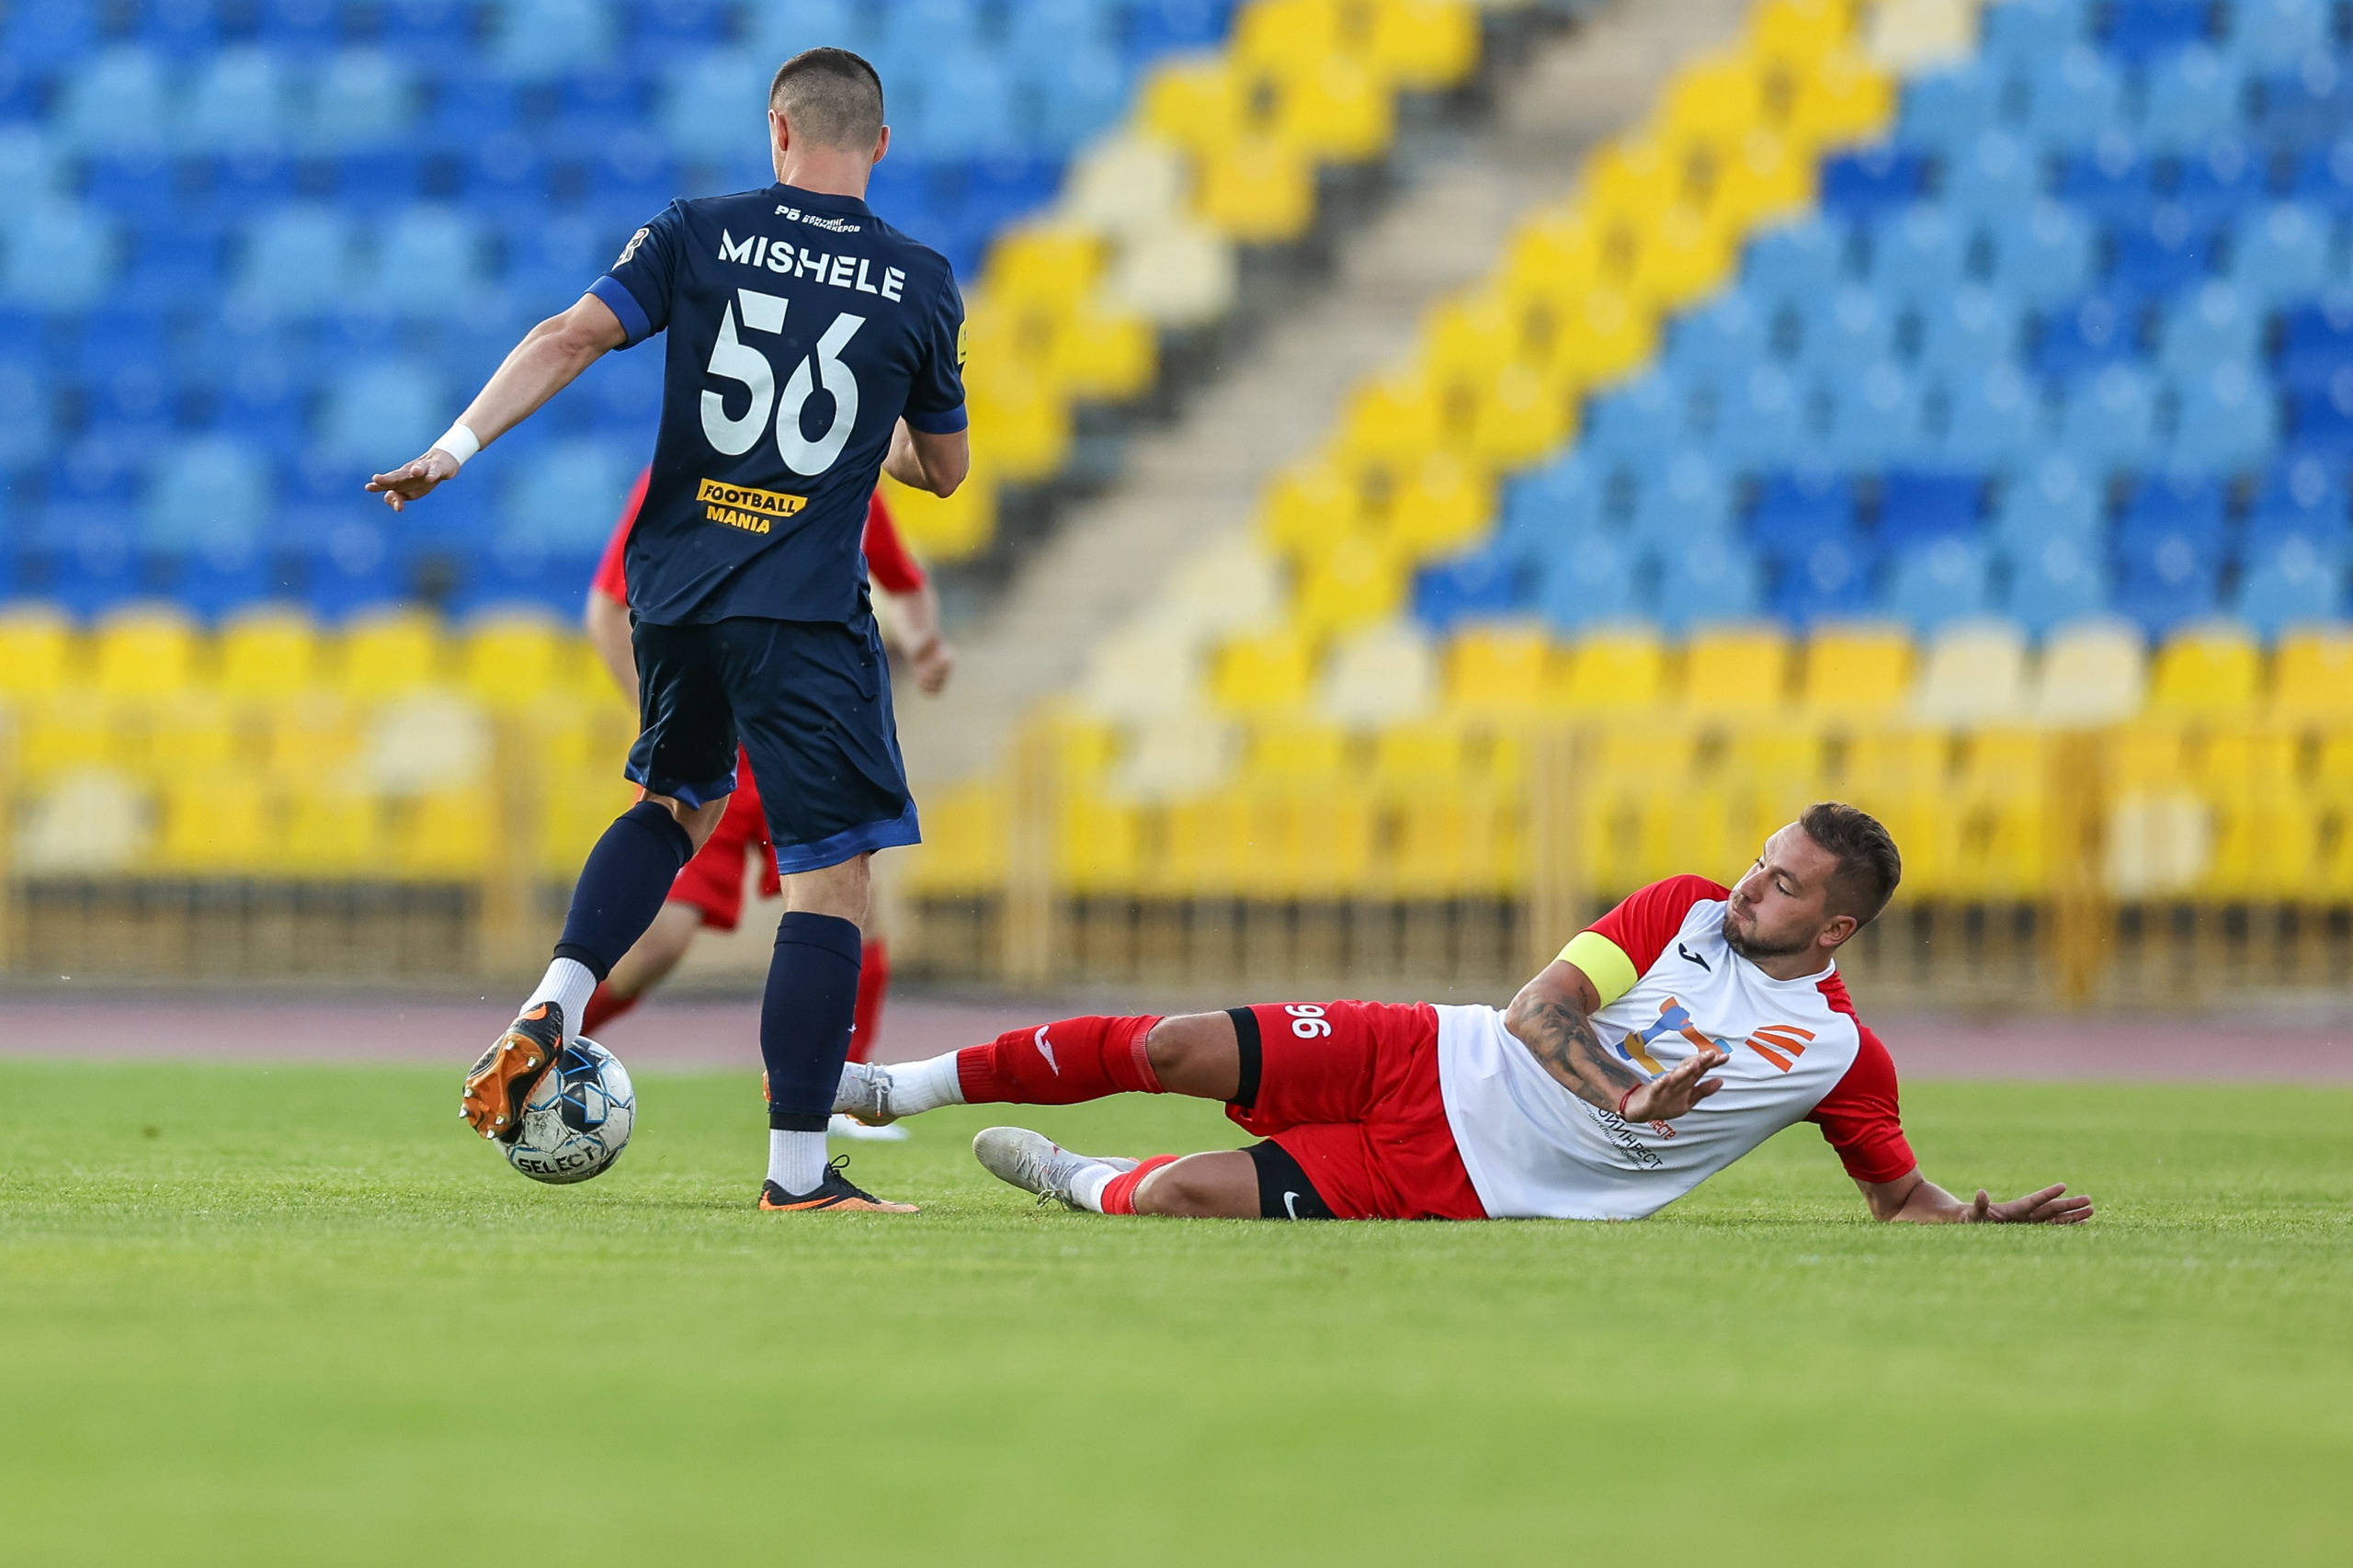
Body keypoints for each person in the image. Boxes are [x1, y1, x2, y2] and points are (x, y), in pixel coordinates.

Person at [369, 48, 968, 1213]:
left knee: (671, 803)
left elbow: (566, 334)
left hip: (675, 591)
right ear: (879, 146)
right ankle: (800, 1175)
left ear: (777, 132)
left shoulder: (697, 229)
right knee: (828, 882)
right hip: (801, 607)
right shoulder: (920, 279)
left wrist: (452, 449)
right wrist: (874, 442)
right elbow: (939, 467)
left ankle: (558, 992)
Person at [832, 805, 2096, 1226]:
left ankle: (1084, 1182)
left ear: (1836, 929)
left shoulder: (1838, 1055)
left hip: (1463, 1174)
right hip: (1432, 1046)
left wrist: (1970, 1217)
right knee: (1171, 1043)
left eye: (1785, 883)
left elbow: (1895, 1197)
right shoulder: (1683, 907)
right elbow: (1541, 1006)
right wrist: (1624, 1092)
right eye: (1762, 859)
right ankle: (896, 1088)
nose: (1751, 882)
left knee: (1174, 1202)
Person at [580, 468, 954, 1142]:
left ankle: (841, 1088)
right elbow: (608, 609)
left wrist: (925, 644)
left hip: (803, 740)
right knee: (659, 941)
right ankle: (544, 1045)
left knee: (858, 910)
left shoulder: (850, 474)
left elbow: (904, 579)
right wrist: (670, 717)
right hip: (721, 756)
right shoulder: (692, 463)